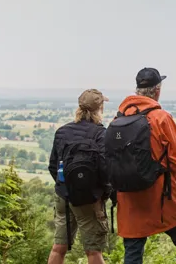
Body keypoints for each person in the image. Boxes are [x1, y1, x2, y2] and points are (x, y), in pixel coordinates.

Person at [113, 68, 176, 264]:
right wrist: (164, 181)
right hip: (161, 195)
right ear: (157, 90)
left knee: (133, 251)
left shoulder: (118, 119)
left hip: (128, 199)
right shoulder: (161, 117)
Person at [48, 89, 112, 264]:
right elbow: (105, 169)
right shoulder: (101, 133)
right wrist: (103, 193)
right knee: (93, 250)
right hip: (88, 199)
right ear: (100, 108)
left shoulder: (62, 131)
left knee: (58, 247)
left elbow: (53, 166)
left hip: (63, 196)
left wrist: (65, 187)